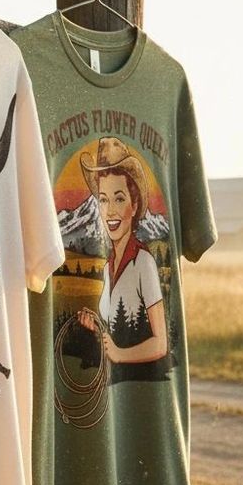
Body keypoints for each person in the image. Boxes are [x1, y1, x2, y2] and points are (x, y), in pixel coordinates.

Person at [77, 137, 170, 381]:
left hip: (139, 385)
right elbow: (116, 330)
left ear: (135, 202)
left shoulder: (143, 262)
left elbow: (160, 344)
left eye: (119, 198)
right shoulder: (109, 264)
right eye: (103, 200)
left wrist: (119, 354)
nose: (110, 211)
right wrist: (96, 328)